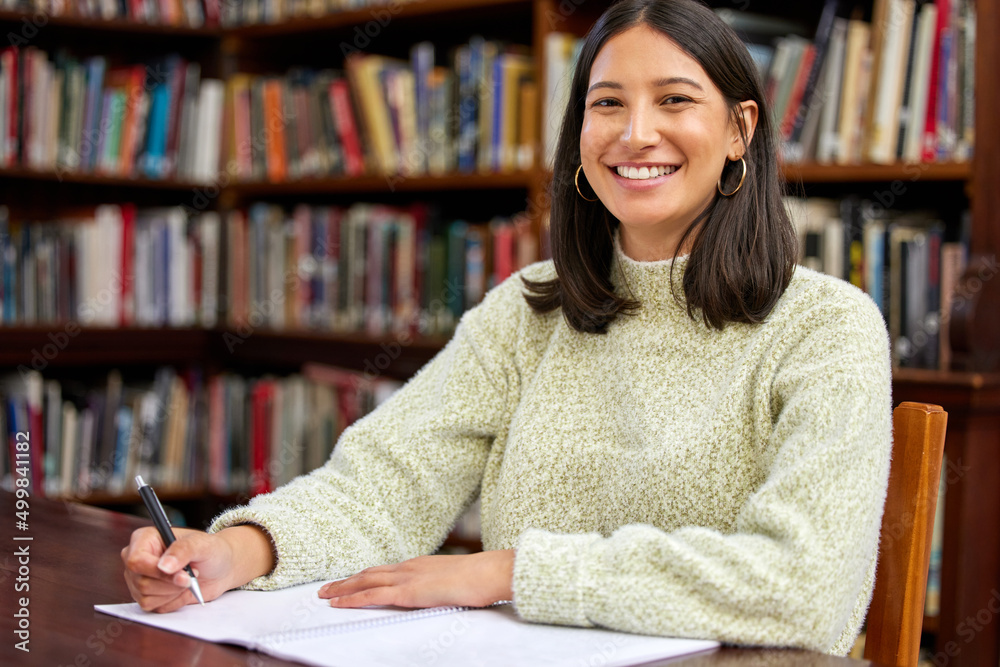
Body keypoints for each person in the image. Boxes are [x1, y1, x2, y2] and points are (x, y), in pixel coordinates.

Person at [122, 0, 892, 656]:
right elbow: (390, 483)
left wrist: (508, 572)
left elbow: (806, 584)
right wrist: (234, 551)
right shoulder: (530, 308)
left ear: (739, 129)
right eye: (608, 103)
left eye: (676, 100)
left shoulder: (827, 327)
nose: (635, 134)